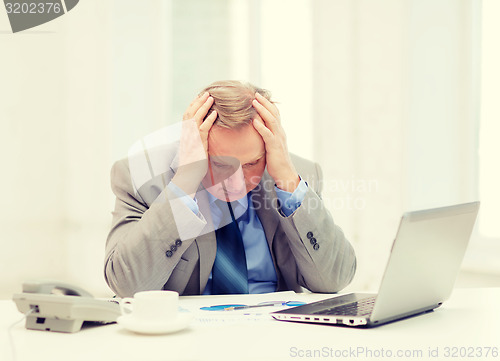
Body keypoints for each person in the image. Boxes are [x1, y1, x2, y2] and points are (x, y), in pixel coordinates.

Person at [105, 80, 356, 298]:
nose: (236, 182)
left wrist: (288, 181)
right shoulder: (139, 178)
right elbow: (128, 286)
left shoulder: (297, 176)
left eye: (251, 163)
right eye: (220, 164)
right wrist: (184, 184)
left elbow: (334, 279)